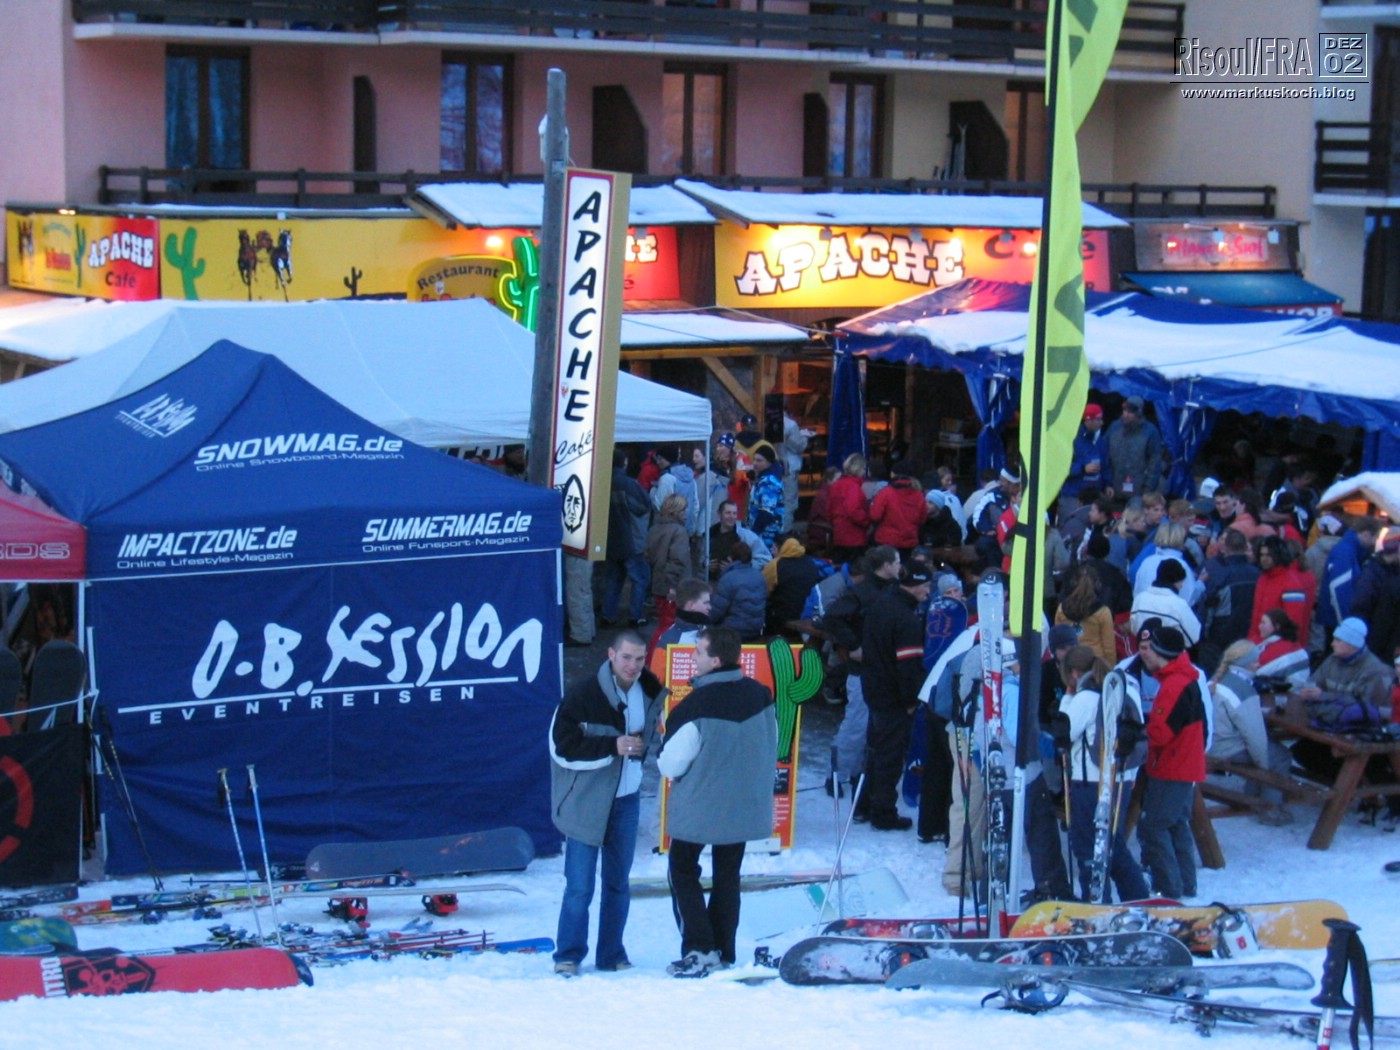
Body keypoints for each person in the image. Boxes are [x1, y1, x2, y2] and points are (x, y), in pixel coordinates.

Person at [658, 626, 777, 978]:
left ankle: (700, 950)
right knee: (728, 875)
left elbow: (670, 764)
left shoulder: (694, 706)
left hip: (699, 807)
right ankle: (723, 949)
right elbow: (771, 742)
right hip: (744, 805)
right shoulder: (761, 695)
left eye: (698, 652)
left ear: (715, 660)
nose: (693, 657)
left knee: (682, 870)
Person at [549, 630, 667, 976]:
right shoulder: (582, 694)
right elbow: (561, 748)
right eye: (626, 657)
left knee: (618, 883)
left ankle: (612, 953)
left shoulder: (650, 690)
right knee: (579, 887)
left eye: (640, 658)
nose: (633, 665)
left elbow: (646, 738)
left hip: (627, 800)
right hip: (586, 802)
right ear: (611, 655)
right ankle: (568, 955)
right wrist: (611, 747)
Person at [1056, 645, 1151, 901]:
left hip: (1089, 781)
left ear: (1074, 673)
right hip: (1122, 780)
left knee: (1088, 847)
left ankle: (1096, 901)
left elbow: (1065, 732)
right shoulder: (1126, 690)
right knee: (1113, 845)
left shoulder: (1085, 698)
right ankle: (1138, 898)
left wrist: (1068, 697)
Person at [819, 546, 901, 806]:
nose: (900, 566)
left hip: (887, 670)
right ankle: (837, 773)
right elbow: (832, 617)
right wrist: (853, 646)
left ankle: (860, 773)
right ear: (885, 565)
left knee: (876, 727)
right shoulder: (862, 591)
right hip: (863, 671)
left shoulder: (894, 589)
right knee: (856, 724)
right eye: (897, 562)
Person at [860, 561, 934, 830]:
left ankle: (864, 804)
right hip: (893, 697)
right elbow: (909, 667)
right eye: (925, 586)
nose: (928, 592)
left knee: (875, 751)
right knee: (889, 758)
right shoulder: (906, 620)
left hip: (874, 688)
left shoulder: (881, 604)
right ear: (914, 586)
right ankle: (883, 813)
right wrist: (911, 701)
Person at [1136, 622, 1206, 900]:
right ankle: (1186, 884)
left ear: (1161, 652)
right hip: (1186, 765)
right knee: (1176, 824)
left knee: (1155, 826)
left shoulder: (1174, 684)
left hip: (1172, 767)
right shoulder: (1184, 677)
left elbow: (1161, 733)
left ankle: (1169, 889)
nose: (1146, 654)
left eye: (1150, 649)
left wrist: (1140, 729)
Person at [1208, 640, 1295, 826]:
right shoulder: (1243, 690)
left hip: (1210, 742)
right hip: (1224, 748)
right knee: (1279, 756)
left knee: (1266, 749)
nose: (1259, 664)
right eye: (1255, 661)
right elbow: (1255, 737)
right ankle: (1270, 809)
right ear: (1245, 663)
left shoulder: (1217, 680)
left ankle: (1252, 797)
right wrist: (1262, 765)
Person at [601, 449, 652, 631]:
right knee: (641, 578)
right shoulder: (628, 484)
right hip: (630, 539)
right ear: (624, 463)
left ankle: (608, 615)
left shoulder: (601, 483)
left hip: (609, 540)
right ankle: (635, 616)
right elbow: (643, 506)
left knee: (614, 580)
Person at [1296, 617, 1392, 712]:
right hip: (1328, 716)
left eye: (1338, 640)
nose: (1332, 644)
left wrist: (1323, 696)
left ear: (1352, 643)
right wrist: (1308, 692)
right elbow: (1314, 682)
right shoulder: (1332, 660)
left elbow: (1365, 708)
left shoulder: (1373, 670)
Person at [1197, 528, 1259, 675]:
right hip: (1248, 632)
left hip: (1219, 635)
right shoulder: (1257, 574)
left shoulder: (1220, 575)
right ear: (1245, 547)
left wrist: (1204, 634)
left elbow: (1208, 608)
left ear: (1226, 547)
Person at [1317, 515, 1381, 644]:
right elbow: (1340, 590)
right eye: (1376, 537)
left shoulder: (1350, 550)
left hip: (1335, 618)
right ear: (1367, 534)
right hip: (1337, 620)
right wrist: (1346, 625)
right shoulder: (1345, 552)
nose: (1375, 542)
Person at [1247, 535, 1315, 648]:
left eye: (1269, 555)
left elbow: (1293, 623)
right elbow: (1256, 617)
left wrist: (1282, 649)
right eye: (1262, 555)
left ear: (1278, 556)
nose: (1264, 559)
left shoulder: (1291, 584)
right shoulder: (1263, 579)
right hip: (1258, 644)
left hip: (1278, 648)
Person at [1351, 529, 1400, 662]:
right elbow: (1360, 609)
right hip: (1374, 645)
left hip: (1391, 645)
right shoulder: (1371, 574)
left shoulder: (1394, 571)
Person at [763, 535, 827, 634]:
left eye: (774, 548)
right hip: (808, 613)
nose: (772, 551)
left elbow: (763, 591)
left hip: (782, 616)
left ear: (781, 548)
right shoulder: (810, 562)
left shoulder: (775, 564)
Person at [646, 494, 692, 632]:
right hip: (674, 588)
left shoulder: (654, 529)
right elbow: (677, 561)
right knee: (671, 627)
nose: (686, 513)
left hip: (658, 584)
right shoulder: (679, 531)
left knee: (663, 624)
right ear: (676, 511)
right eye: (683, 509)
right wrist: (672, 587)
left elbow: (648, 556)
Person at [1130, 558, 1202, 645]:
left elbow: (1133, 628)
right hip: (1169, 651)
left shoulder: (1139, 599)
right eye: (1181, 582)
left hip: (1142, 648)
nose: (1182, 586)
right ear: (1175, 581)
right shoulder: (1179, 605)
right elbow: (1194, 637)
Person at [1055, 567, 1118, 666]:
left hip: (1070, 664)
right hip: (1096, 664)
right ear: (1097, 585)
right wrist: (1110, 669)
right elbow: (1109, 649)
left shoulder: (1061, 609)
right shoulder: (1103, 612)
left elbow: (1058, 640)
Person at [1104, 395, 1164, 498]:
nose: (1126, 414)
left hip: (1138, 490)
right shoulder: (1114, 428)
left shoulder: (1150, 432)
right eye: (1125, 411)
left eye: (1130, 412)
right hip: (1113, 489)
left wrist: (1148, 489)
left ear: (1139, 413)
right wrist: (1107, 483)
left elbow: (1155, 462)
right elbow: (1104, 455)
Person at [708, 543, 767, 641]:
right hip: (755, 629)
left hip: (731, 631)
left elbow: (717, 611)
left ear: (730, 558)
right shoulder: (760, 576)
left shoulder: (728, 578)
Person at [870, 465, 927, 557]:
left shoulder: (886, 492)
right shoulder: (919, 496)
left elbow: (875, 515)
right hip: (909, 541)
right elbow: (922, 518)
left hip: (887, 540)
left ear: (893, 474)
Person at [828, 453, 872, 563]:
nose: (864, 472)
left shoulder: (836, 485)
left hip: (839, 534)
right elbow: (854, 511)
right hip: (854, 536)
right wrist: (868, 522)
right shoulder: (853, 487)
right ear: (858, 469)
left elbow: (829, 510)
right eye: (863, 468)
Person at [1064, 403, 1110, 503]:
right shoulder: (1072, 439)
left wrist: (1108, 484)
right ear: (1089, 420)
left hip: (1094, 496)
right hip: (1073, 495)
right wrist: (1082, 468)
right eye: (1098, 419)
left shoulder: (1100, 440)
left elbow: (1105, 465)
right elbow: (1061, 467)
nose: (1102, 423)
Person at [1254, 608, 1310, 687]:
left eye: (1263, 623)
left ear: (1277, 626)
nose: (1259, 626)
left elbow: (1256, 674)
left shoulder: (1276, 649)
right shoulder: (1293, 645)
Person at [653, 578, 712, 654]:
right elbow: (658, 662)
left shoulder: (710, 631)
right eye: (706, 603)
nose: (710, 607)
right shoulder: (669, 639)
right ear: (691, 605)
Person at [746, 443, 785, 551]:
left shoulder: (769, 482)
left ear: (769, 462)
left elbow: (766, 513)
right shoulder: (763, 479)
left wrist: (753, 534)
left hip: (766, 538)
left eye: (759, 461)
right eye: (754, 460)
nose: (755, 463)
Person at [781, 410, 813, 532]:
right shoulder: (790, 424)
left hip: (772, 465)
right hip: (789, 467)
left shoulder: (765, 421)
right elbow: (798, 446)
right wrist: (804, 436)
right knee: (789, 501)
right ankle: (786, 531)